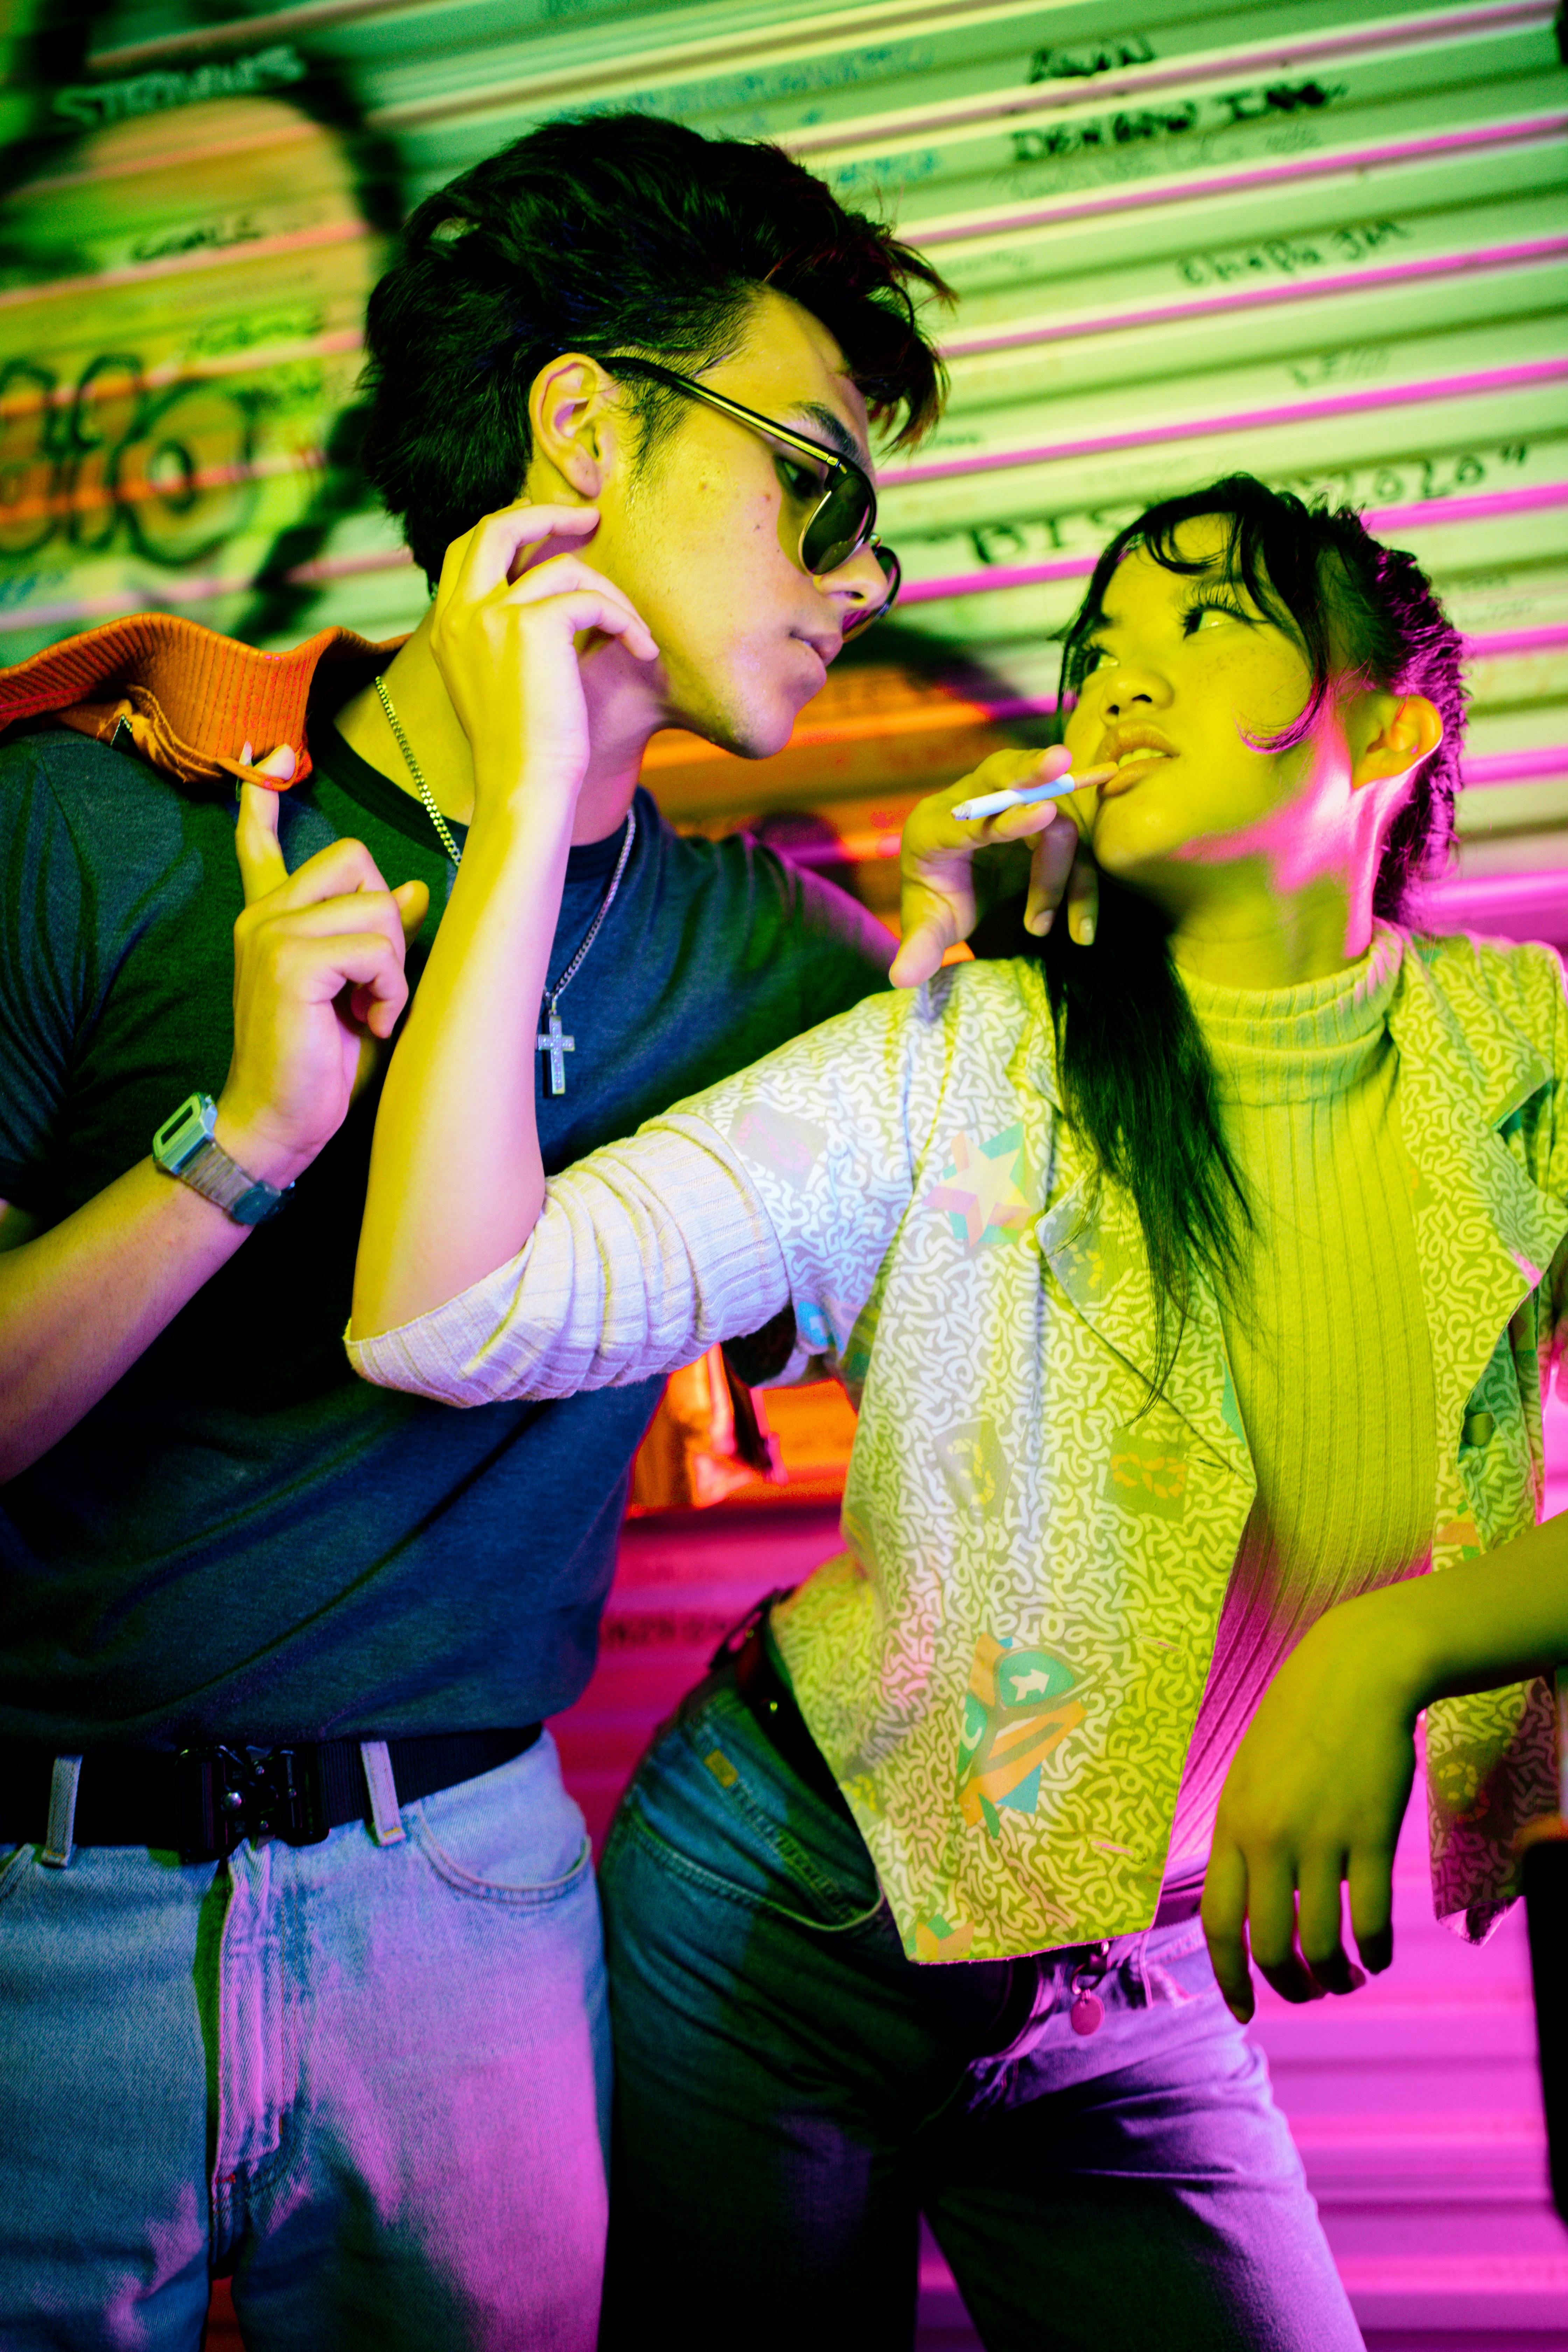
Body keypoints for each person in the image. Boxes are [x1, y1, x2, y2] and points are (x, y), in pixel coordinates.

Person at [0, 111, 1058, 2350]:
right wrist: (239, 1146)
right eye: (822, 484)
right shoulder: (95, 825)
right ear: (584, 425)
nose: (863, 574)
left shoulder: (784, 977)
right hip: (31, 1912)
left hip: (468, 1927)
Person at [348, 470, 1568, 2351]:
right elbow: (451, 1311)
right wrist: (520, 824)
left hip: (1125, 1986)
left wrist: (1393, 1649)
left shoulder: (1524, 1061)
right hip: (779, 1906)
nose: (1116, 689)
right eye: (1097, 654)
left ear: (1392, 726)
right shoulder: (963, 1054)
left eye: (1206, 624)